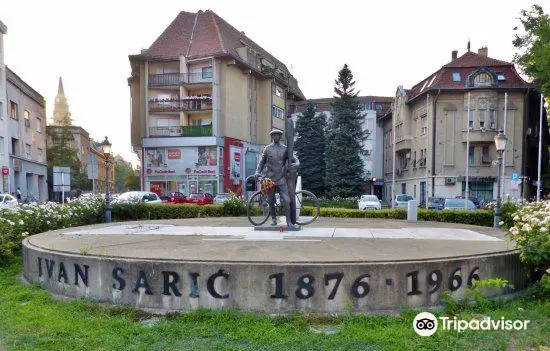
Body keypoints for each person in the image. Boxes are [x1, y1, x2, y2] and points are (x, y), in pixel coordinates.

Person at [254, 129, 299, 228]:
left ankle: (288, 222)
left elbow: (294, 158)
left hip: (281, 179)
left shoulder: (285, 149)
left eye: (277, 135)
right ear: (272, 137)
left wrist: (297, 163)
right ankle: (274, 219)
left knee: (286, 200)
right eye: (273, 135)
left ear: (280, 137)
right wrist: (257, 172)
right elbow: (261, 162)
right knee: (270, 201)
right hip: (269, 179)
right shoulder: (267, 149)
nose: (275, 137)